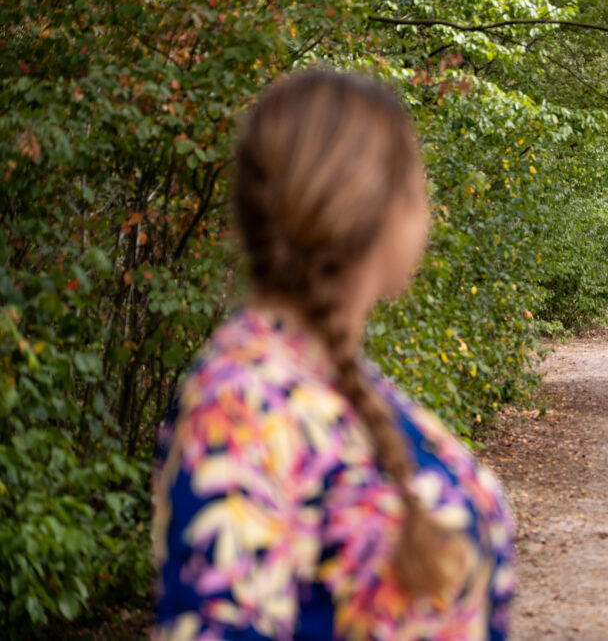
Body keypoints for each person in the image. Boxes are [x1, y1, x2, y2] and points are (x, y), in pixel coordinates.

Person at [150, 69, 517, 640]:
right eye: (418, 187)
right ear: (373, 204)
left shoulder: (319, 379)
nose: (428, 213)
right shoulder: (244, 403)